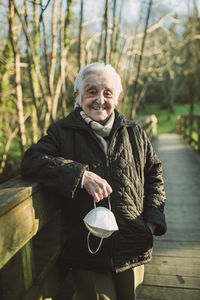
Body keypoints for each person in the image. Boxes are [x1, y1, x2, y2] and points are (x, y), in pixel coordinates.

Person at [21, 62, 167, 300]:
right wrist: (79, 175)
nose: (100, 99)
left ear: (116, 99)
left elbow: (154, 175)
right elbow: (32, 161)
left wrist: (151, 222)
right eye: (92, 91)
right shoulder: (62, 131)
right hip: (88, 253)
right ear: (77, 96)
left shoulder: (135, 133)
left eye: (107, 93)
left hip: (134, 248)